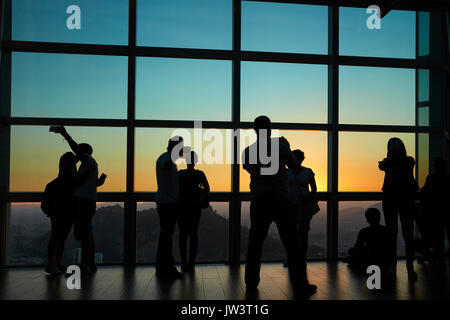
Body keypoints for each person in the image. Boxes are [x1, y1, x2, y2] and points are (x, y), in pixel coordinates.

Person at [242, 115, 316, 296]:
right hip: (281, 200)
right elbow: (294, 165)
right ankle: (300, 285)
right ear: (270, 128)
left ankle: (251, 282)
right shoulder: (280, 147)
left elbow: (249, 169)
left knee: (255, 243)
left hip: (259, 199)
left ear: (254, 130)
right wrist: (286, 149)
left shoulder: (247, 151)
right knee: (292, 244)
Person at [55, 126, 106, 274]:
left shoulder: (87, 160)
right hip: (86, 201)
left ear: (83, 152)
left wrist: (66, 135)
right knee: (87, 233)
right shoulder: (90, 164)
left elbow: (76, 149)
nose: (76, 156)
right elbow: (89, 183)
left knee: (84, 234)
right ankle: (89, 264)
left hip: (83, 202)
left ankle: (85, 265)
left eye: (78, 152)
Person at [378, 137, 419, 281]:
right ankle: (409, 268)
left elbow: (383, 166)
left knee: (394, 235)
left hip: (391, 200)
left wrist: (388, 161)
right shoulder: (408, 161)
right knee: (405, 235)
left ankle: (394, 267)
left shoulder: (391, 163)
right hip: (406, 200)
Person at [41, 152, 78, 275]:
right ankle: (54, 264)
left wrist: (50, 212)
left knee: (58, 238)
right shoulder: (72, 183)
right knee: (59, 238)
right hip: (65, 213)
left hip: (57, 214)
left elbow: (45, 203)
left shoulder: (53, 184)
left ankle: (54, 264)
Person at [155, 136, 184, 279]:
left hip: (167, 202)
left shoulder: (166, 158)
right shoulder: (165, 159)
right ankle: (166, 267)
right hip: (167, 203)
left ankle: (163, 265)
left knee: (166, 235)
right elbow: (166, 165)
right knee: (167, 235)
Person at [178, 150, 210, 272]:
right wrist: (199, 198)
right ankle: (191, 263)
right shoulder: (199, 174)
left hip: (181, 208)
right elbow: (207, 188)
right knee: (193, 235)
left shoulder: (180, 174)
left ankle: (184, 262)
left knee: (183, 236)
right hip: (194, 209)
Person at [287, 149, 319, 261]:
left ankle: (299, 256)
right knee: (298, 232)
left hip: (300, 204)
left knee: (301, 232)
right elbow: (313, 189)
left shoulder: (288, 173)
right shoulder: (304, 172)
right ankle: (299, 256)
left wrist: (307, 199)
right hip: (295, 204)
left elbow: (314, 189)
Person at [417, 157, 450, 265]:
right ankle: (438, 256)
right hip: (442, 211)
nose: (433, 166)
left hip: (431, 211)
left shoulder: (431, 178)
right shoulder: (446, 178)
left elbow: (424, 191)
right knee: (439, 234)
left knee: (433, 234)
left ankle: (431, 255)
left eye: (435, 164)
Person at [345, 208, 391, 273]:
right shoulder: (386, 230)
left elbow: (357, 247)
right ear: (379, 218)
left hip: (369, 259)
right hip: (384, 260)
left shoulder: (364, 231)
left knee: (351, 254)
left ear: (367, 219)